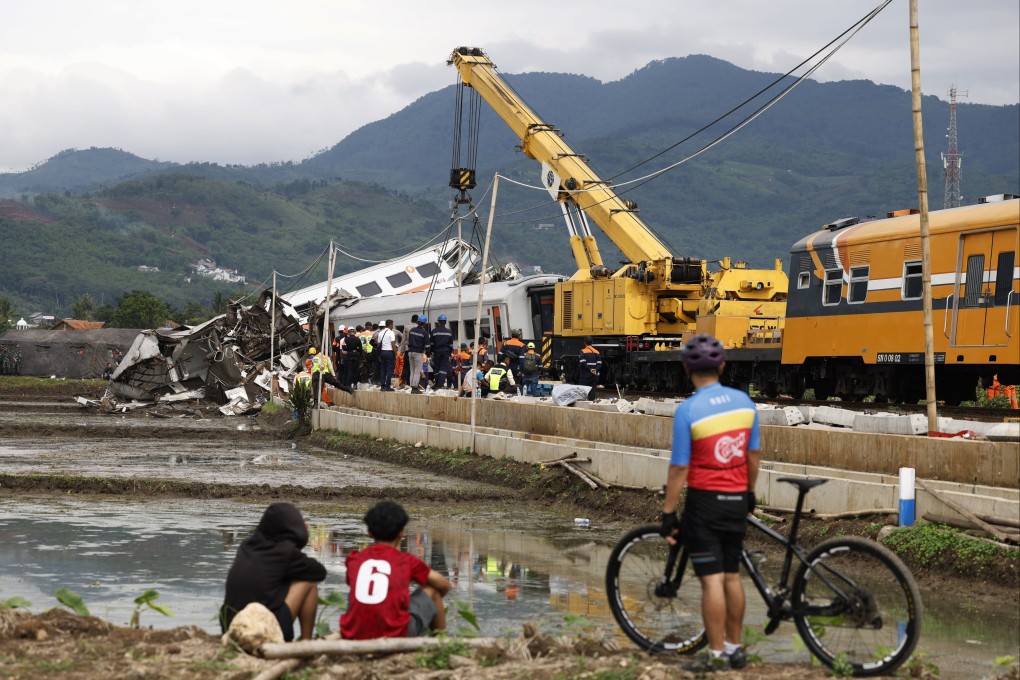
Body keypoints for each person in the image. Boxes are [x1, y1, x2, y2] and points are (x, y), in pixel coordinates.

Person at [660, 333, 760, 673]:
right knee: (732, 576)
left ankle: (716, 656)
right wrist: (749, 491)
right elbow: (753, 455)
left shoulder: (688, 410)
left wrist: (668, 511)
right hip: (736, 500)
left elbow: (679, 467)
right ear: (722, 366)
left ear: (687, 368)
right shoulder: (745, 403)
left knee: (712, 580)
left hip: (704, 504)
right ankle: (735, 648)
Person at [340, 501, 451, 639]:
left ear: (369, 532)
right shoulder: (406, 560)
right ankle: (441, 644)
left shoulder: (354, 559)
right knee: (433, 590)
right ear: (401, 532)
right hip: (395, 634)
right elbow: (444, 585)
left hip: (354, 633)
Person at [220, 502, 326, 642]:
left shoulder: (246, 546)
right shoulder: (285, 551)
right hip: (263, 629)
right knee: (308, 582)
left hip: (231, 626)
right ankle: (306, 641)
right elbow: (319, 572)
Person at [406, 315, 430, 394]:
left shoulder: (412, 330)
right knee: (417, 370)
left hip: (410, 352)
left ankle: (412, 386)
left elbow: (409, 340)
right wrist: (428, 354)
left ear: (418, 322)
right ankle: (415, 387)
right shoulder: (424, 332)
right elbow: (427, 345)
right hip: (418, 352)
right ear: (424, 323)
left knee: (412, 370)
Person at [430, 314, 454, 389]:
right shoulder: (449, 332)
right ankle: (440, 385)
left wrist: (431, 352)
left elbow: (431, 343)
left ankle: (437, 384)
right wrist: (450, 353)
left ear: (438, 322)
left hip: (436, 352)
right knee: (443, 369)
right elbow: (451, 345)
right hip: (445, 352)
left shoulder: (434, 331)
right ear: (445, 322)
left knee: (437, 368)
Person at [397, 314, 418, 387]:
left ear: (411, 320)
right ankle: (413, 383)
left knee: (406, 366)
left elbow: (403, 340)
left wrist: (402, 350)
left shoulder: (406, 327)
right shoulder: (419, 327)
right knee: (415, 367)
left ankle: (404, 381)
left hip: (407, 349)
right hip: (417, 350)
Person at [340, 326, 363, 390]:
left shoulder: (346, 339)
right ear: (354, 332)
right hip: (356, 356)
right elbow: (360, 349)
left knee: (350, 370)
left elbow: (344, 348)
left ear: (349, 332)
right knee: (355, 371)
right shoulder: (358, 339)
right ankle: (355, 384)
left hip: (349, 356)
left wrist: (348, 350)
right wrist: (358, 354)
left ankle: (348, 385)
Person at [377, 319, 397, 391]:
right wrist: (396, 354)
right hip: (389, 353)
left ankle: (382, 386)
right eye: (393, 325)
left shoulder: (380, 333)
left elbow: (379, 344)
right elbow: (393, 344)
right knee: (390, 370)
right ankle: (388, 386)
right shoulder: (391, 333)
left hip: (382, 352)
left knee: (383, 369)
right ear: (391, 324)